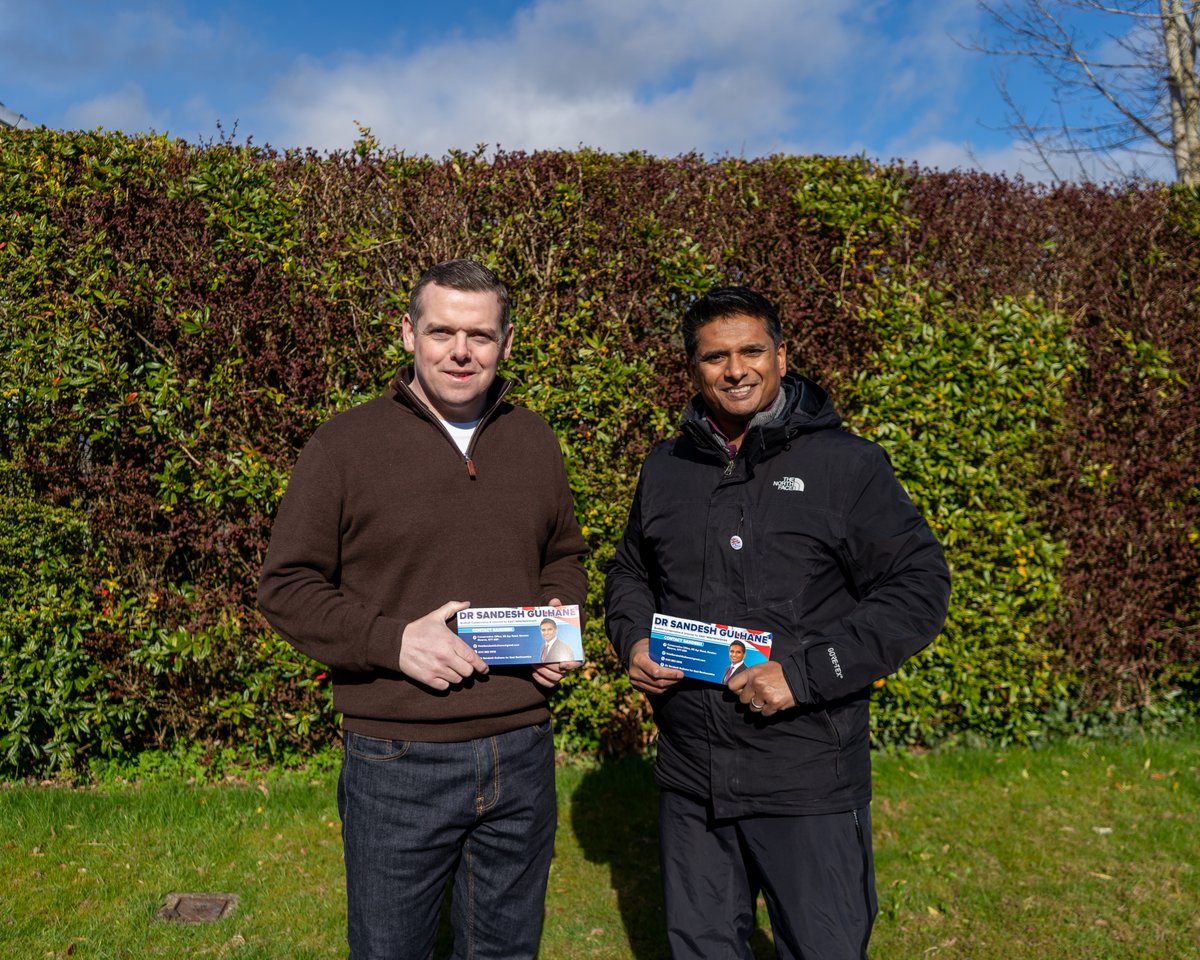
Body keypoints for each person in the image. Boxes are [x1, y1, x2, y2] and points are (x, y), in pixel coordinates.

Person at [605, 286, 950, 960]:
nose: (736, 369)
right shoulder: (666, 468)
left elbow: (919, 586)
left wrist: (806, 673)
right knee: (701, 948)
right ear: (694, 368)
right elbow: (630, 573)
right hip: (691, 774)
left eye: (752, 351)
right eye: (716, 357)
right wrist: (633, 637)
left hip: (807, 770)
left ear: (782, 356)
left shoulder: (847, 466)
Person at [258, 259, 587, 960]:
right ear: (407, 333)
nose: (461, 352)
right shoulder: (342, 446)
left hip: (522, 749)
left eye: (480, 335)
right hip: (398, 758)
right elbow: (286, 586)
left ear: (506, 342)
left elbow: (563, 552)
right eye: (441, 332)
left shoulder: (534, 439)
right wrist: (391, 641)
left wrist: (558, 624)